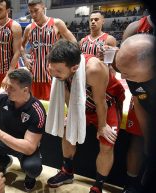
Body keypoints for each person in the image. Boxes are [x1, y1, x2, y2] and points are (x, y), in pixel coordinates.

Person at [46, 39, 125, 193]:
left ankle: (98, 185)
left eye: (58, 72)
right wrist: (71, 115)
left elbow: (100, 101)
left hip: (107, 104)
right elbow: (67, 93)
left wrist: (102, 126)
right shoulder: (56, 66)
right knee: (67, 131)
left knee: (106, 142)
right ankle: (67, 171)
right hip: (81, 103)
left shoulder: (93, 69)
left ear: (75, 68)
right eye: (51, 70)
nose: (54, 75)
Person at [115, 34, 155, 193]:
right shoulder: (132, 74)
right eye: (121, 71)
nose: (123, 78)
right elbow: (139, 102)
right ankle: (131, 185)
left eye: (129, 74)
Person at [21, 0, 76, 100]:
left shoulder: (57, 23)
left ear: (43, 7)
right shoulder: (29, 28)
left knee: (53, 108)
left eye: (36, 10)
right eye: (31, 11)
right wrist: (25, 59)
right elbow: (21, 46)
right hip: (35, 77)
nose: (33, 14)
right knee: (36, 107)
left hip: (53, 76)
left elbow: (73, 41)